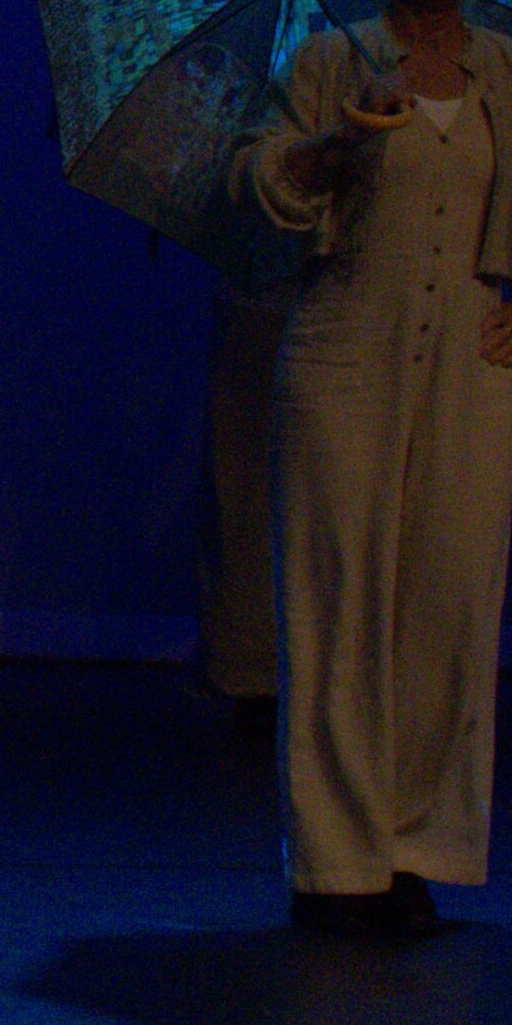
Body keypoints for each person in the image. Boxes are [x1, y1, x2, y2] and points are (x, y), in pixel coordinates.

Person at [239, 0, 512, 939]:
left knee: (447, 605)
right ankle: (335, 862)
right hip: (345, 350)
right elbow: (256, 183)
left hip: (471, 359)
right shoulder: (330, 62)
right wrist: (340, 143)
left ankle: (411, 846)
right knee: (337, 600)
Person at [197, 271, 292, 735]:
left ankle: (258, 675)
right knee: (249, 500)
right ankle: (255, 675)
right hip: (267, 297)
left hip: (317, 301)